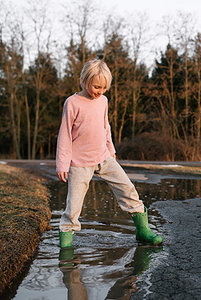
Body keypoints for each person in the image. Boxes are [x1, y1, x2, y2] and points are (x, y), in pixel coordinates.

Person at [56, 58, 162, 248]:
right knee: (73, 205)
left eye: (104, 88)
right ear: (84, 80)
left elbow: (106, 127)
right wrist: (62, 163)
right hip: (79, 163)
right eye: (96, 87)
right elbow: (64, 135)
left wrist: (111, 149)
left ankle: (143, 230)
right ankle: (65, 244)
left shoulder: (103, 101)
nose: (100, 92)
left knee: (127, 188)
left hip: (104, 157)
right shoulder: (72, 103)